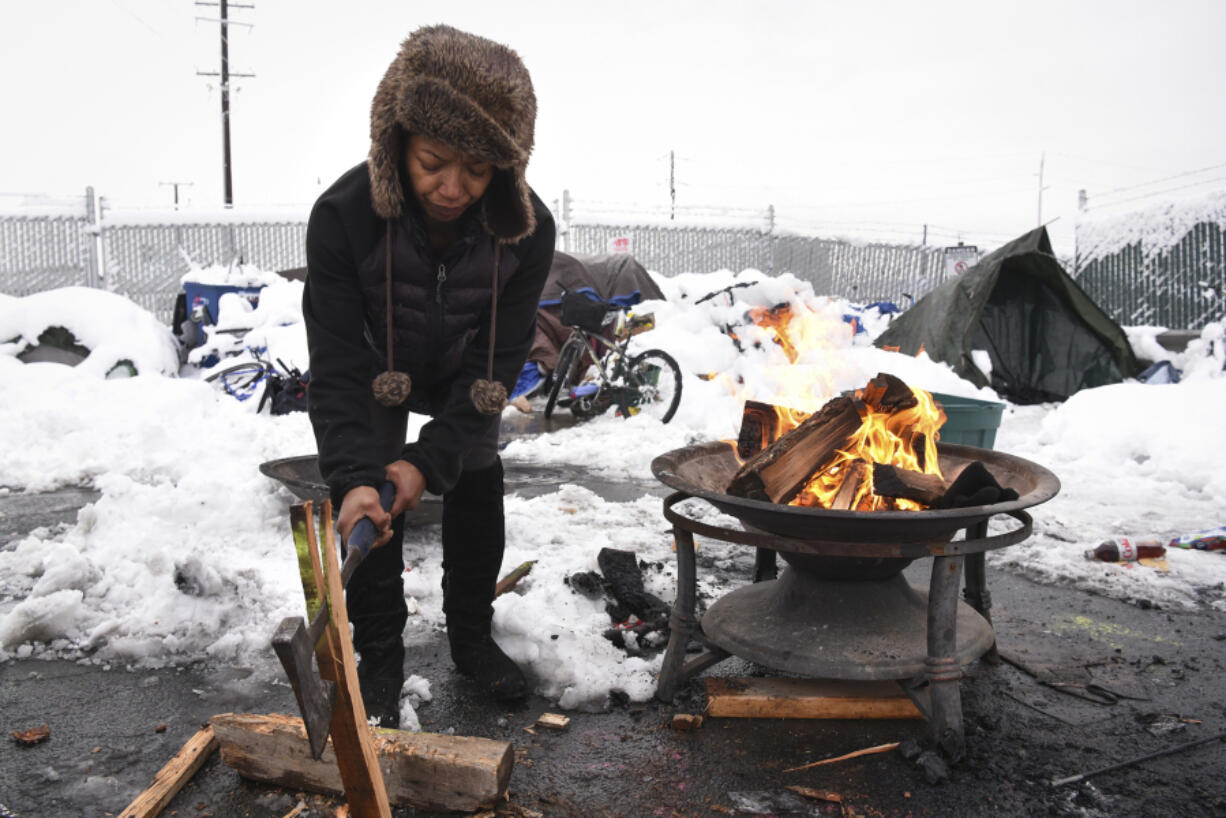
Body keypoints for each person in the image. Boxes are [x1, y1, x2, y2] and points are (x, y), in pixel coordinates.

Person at [302, 24, 555, 727]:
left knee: (475, 462)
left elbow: (498, 366)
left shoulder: (526, 232)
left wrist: (432, 458)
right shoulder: (343, 217)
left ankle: (471, 636)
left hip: (467, 369)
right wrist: (357, 477)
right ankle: (380, 656)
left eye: (477, 171)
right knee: (371, 488)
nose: (453, 187)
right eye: (434, 162)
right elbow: (337, 364)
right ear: (397, 142)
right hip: (376, 364)